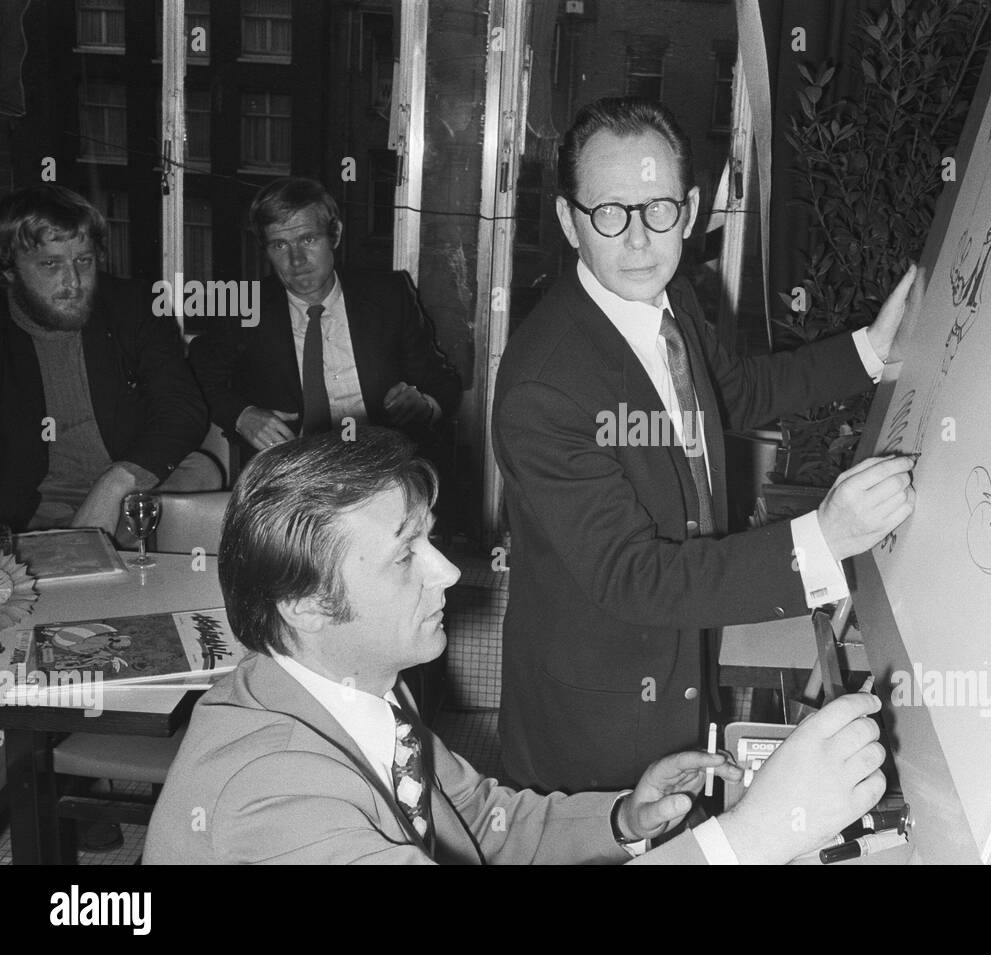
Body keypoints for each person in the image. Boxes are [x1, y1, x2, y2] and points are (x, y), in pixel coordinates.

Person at [142, 429, 889, 865]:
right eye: (407, 554)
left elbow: (482, 818)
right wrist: (748, 837)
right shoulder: (274, 796)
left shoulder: (355, 687)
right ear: (305, 603)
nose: (445, 570)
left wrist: (625, 818)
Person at [492, 97, 918, 793]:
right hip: (592, 734)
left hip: (682, 674)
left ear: (689, 211)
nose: (637, 240)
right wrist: (822, 538)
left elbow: (738, 392)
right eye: (609, 213)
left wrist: (870, 349)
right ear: (570, 221)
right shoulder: (544, 387)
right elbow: (634, 576)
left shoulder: (672, 296)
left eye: (658, 209)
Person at [187, 177, 461, 469]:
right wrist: (242, 415)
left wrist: (425, 406)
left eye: (308, 239)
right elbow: (194, 379)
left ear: (335, 235)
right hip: (289, 473)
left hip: (382, 465)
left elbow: (441, 379)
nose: (297, 259)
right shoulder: (242, 305)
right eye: (280, 245)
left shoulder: (388, 295)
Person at [0, 184, 212, 534]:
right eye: (51, 264)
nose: (73, 282)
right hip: (35, 505)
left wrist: (113, 485)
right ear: (9, 272)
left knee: (201, 472)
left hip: (132, 488)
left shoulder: (134, 304)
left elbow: (182, 409)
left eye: (83, 261)